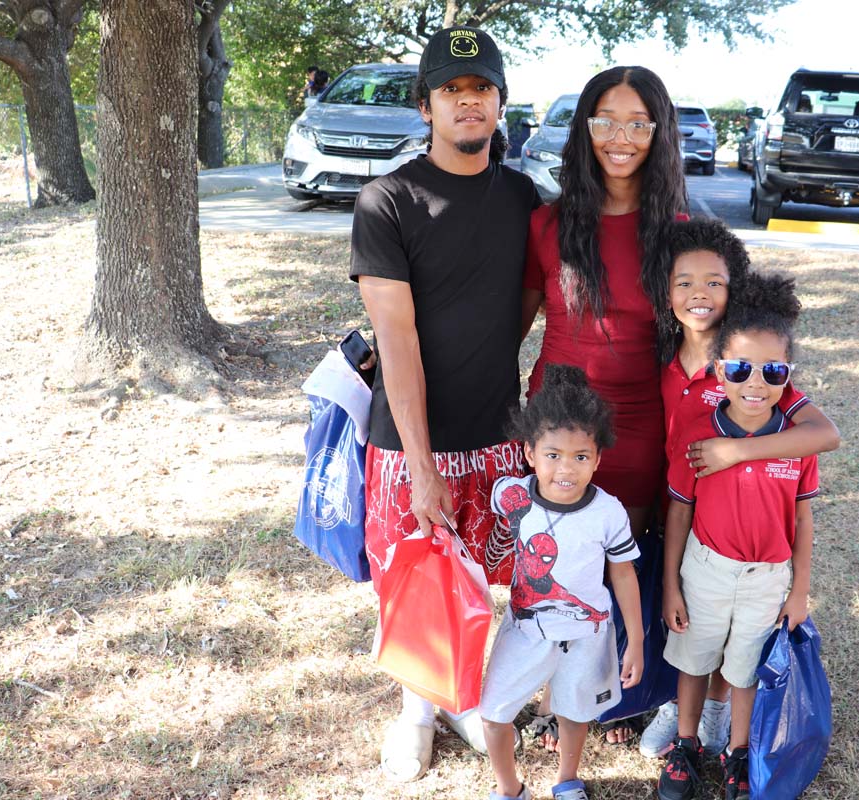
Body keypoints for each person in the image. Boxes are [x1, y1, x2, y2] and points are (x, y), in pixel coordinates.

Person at [349, 25, 539, 783]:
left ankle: (463, 691)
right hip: (409, 440)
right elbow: (395, 341)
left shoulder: (524, 197)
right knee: (418, 574)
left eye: (482, 89)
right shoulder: (386, 201)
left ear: (499, 103)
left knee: (482, 577)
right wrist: (422, 463)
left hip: (497, 431)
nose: (469, 102)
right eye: (452, 91)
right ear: (426, 105)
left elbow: (528, 301)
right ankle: (416, 714)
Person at [520, 66, 685, 747]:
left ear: (659, 132)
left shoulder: (678, 231)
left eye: (638, 123)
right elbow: (511, 326)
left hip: (639, 423)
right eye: (606, 120)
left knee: (621, 560)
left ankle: (615, 696)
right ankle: (558, 693)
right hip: (555, 421)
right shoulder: (547, 223)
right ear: (585, 128)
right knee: (555, 560)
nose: (621, 137)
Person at [638, 218, 841, 758]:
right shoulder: (659, 357)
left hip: (735, 525)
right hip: (677, 509)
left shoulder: (756, 375)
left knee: (736, 638)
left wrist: (735, 450)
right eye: (684, 282)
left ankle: (718, 711)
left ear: (735, 290)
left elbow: (824, 434)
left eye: (715, 282)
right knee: (685, 620)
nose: (699, 294)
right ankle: (670, 708)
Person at [657, 272, 820, 800]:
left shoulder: (795, 440)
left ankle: (738, 750)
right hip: (704, 569)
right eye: (741, 368)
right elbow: (679, 512)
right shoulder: (699, 432)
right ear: (718, 371)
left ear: (788, 376)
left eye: (772, 371)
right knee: (693, 660)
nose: (756, 383)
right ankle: (685, 745)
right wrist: (671, 586)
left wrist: (798, 591)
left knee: (746, 667)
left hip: (767, 579)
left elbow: (802, 519)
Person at [480, 364, 644, 800]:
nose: (566, 469)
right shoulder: (512, 496)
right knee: (493, 714)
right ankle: (509, 788)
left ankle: (566, 780)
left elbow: (623, 573)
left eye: (580, 457)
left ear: (598, 458)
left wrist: (638, 641)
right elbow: (490, 533)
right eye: (553, 455)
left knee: (575, 713)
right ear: (530, 452)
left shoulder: (608, 512)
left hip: (586, 635)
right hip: (524, 630)